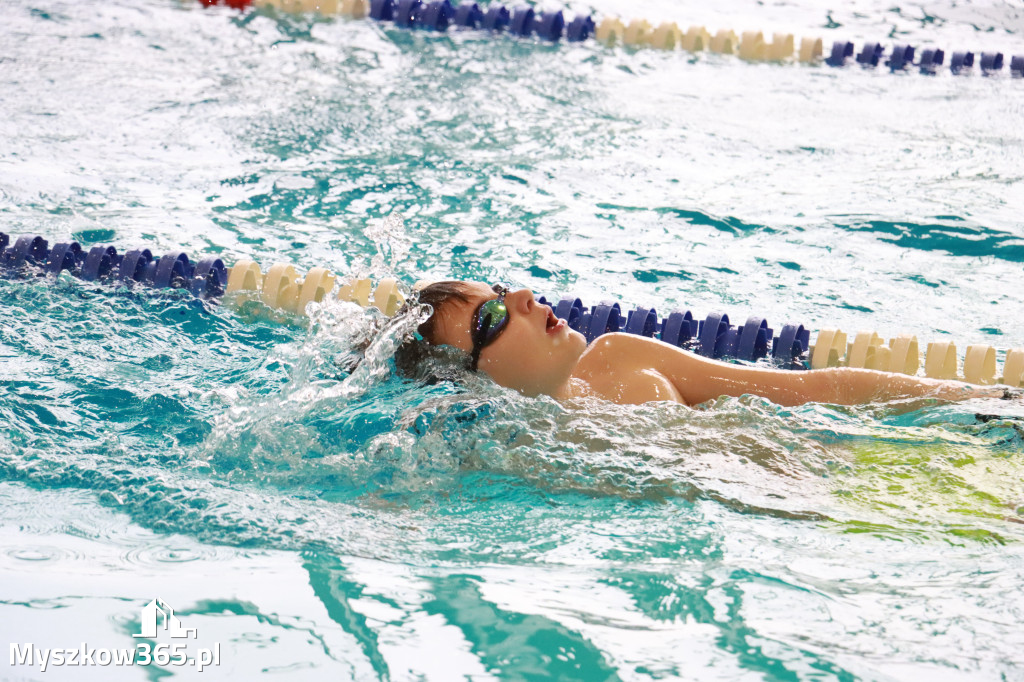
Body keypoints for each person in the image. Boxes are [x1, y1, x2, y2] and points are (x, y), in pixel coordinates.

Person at [394, 281, 1013, 407]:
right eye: (493, 317)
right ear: (472, 383)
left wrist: (974, 393)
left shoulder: (618, 355)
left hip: (841, 461)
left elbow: (812, 387)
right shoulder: (511, 453)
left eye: (502, 289)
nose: (526, 298)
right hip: (832, 522)